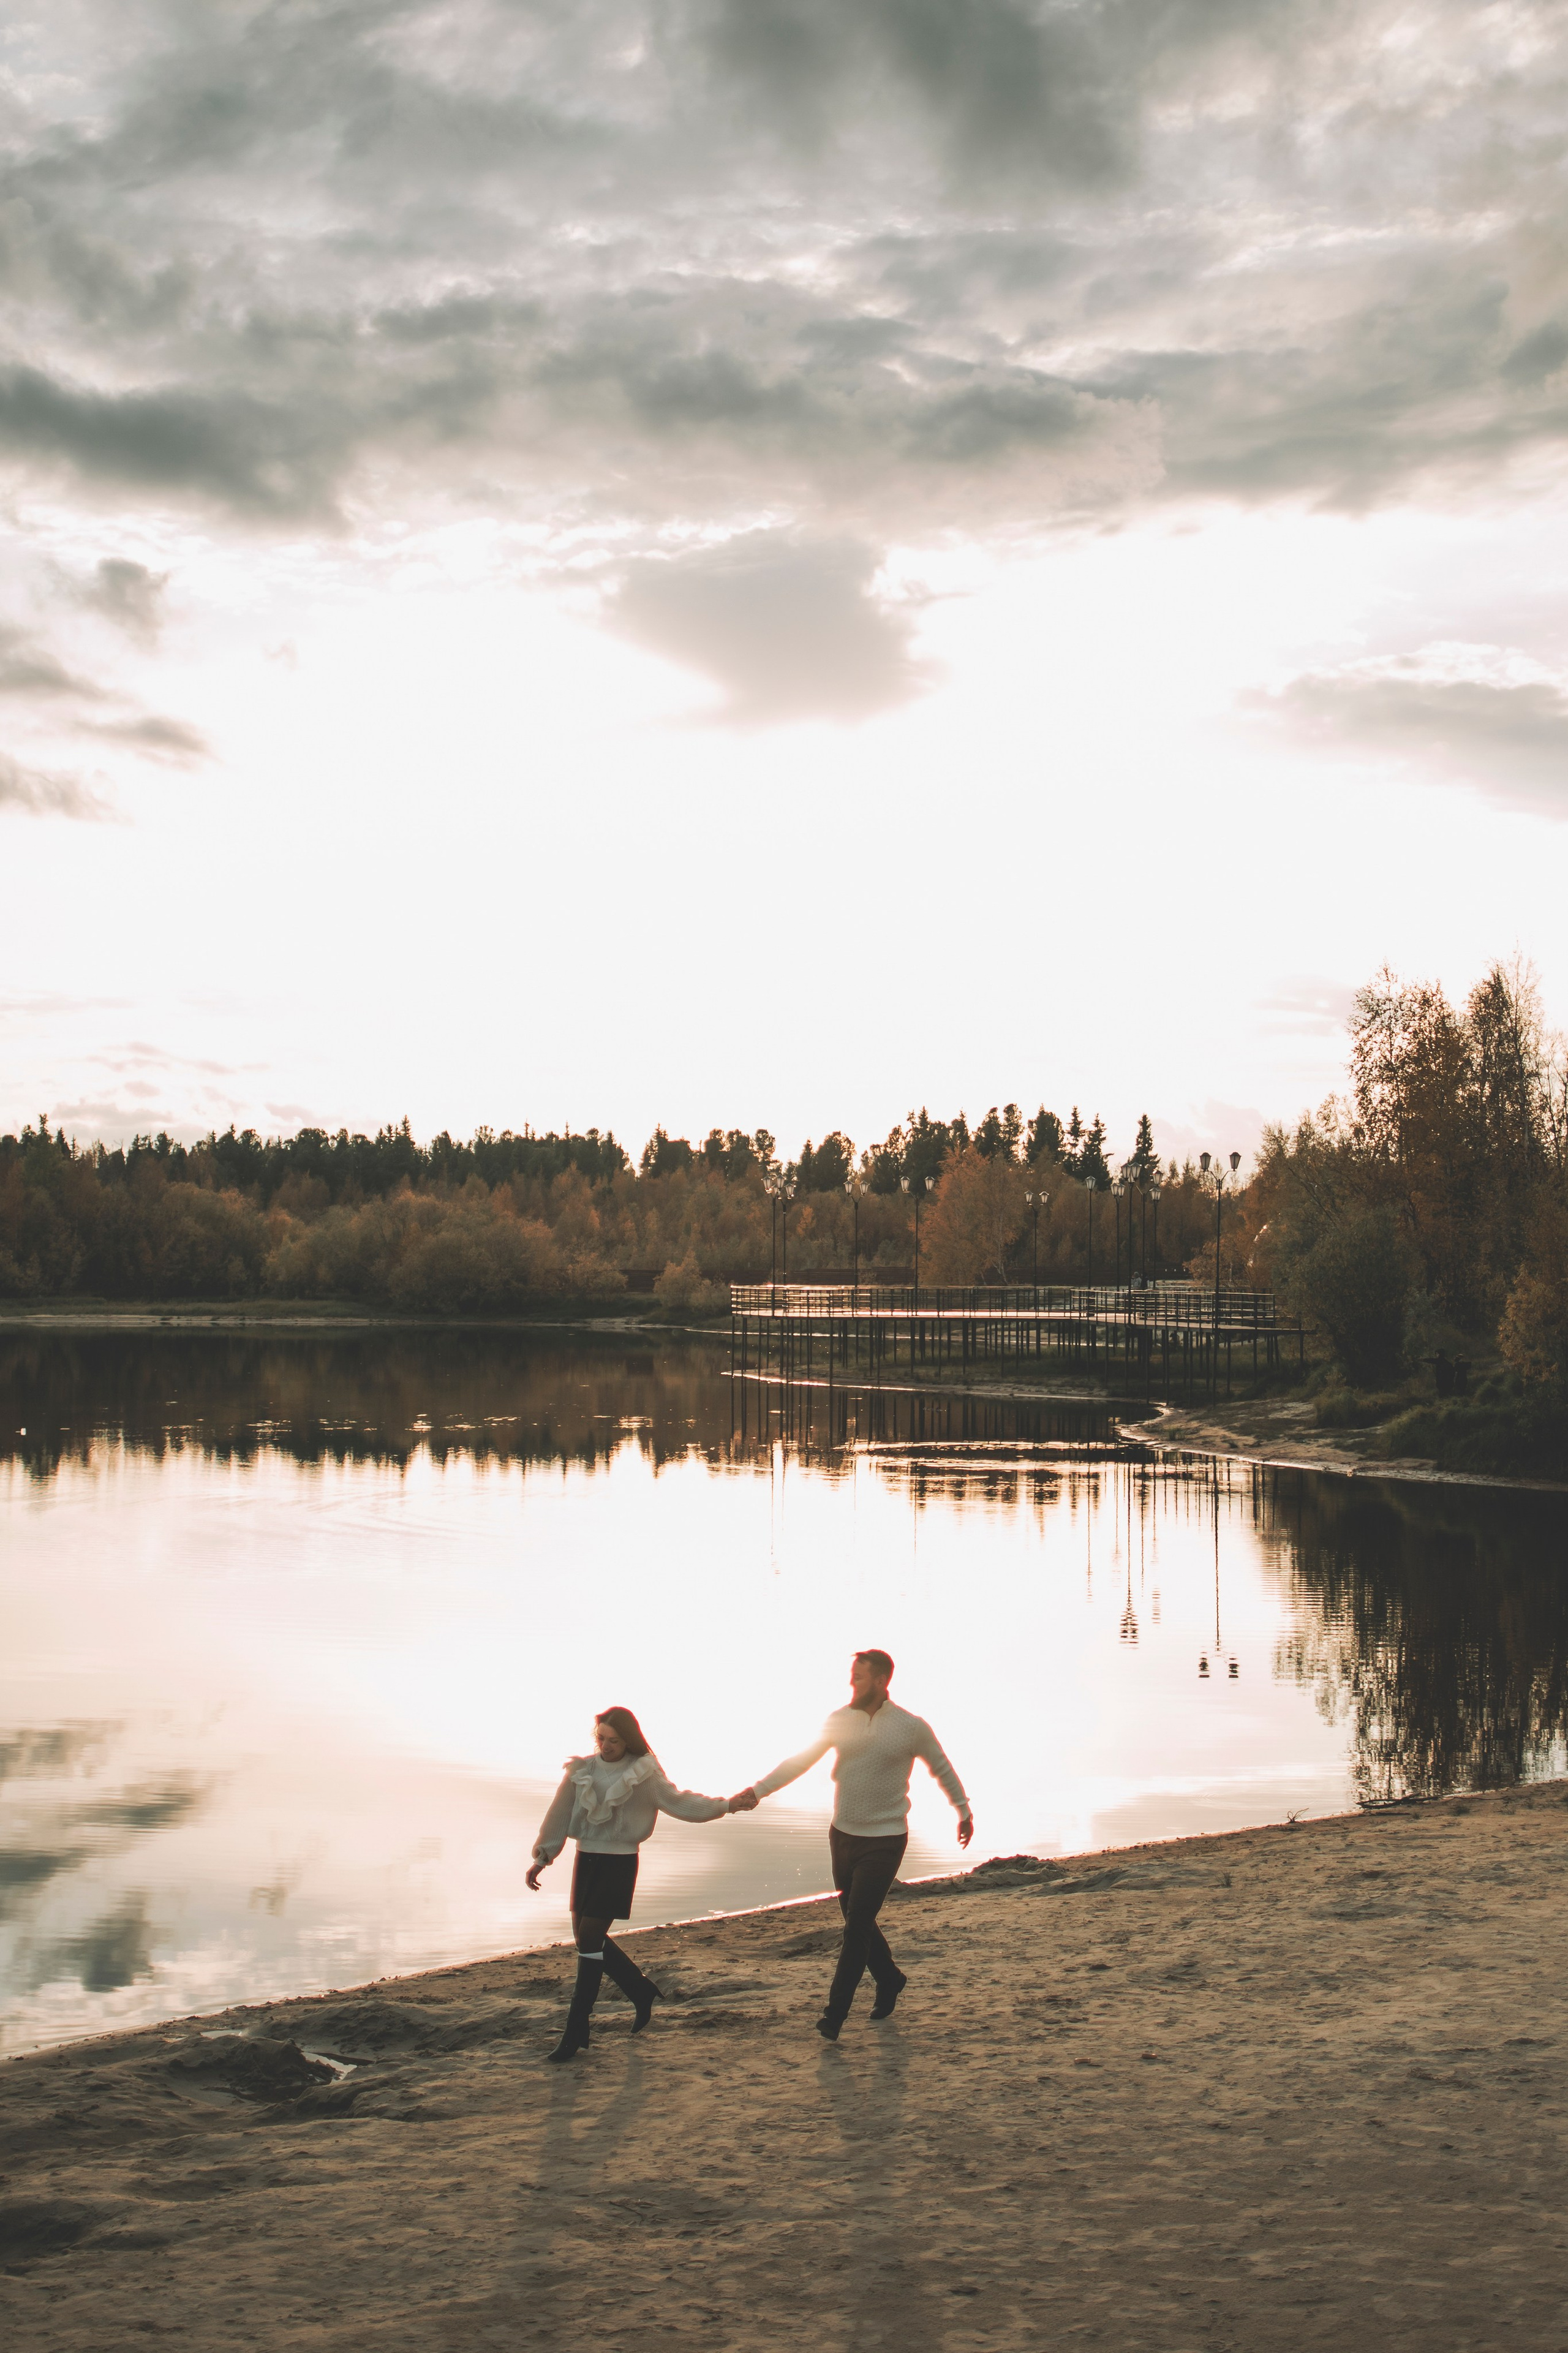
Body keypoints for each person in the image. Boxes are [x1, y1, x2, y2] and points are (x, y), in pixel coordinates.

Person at [731, 1649, 972, 2041]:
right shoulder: (839, 1721)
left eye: (859, 1677)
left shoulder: (911, 1727)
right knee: (855, 1918)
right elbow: (801, 1760)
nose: (851, 1683)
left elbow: (941, 1766)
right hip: (842, 1835)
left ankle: (834, 2015)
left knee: (857, 1926)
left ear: (881, 1681)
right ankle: (890, 1978)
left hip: (886, 1838)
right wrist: (758, 1791)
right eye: (852, 1676)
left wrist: (963, 1811)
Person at [527, 1705, 742, 2063]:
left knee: (591, 1940)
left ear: (629, 1740)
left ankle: (575, 2031)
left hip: (619, 1864)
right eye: (601, 1739)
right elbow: (559, 1813)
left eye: (614, 1740)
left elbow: (680, 1803)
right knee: (585, 1939)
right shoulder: (582, 1770)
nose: (606, 1746)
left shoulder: (643, 1773)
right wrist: (543, 1857)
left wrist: (728, 1805)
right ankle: (640, 1991)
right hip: (587, 1859)